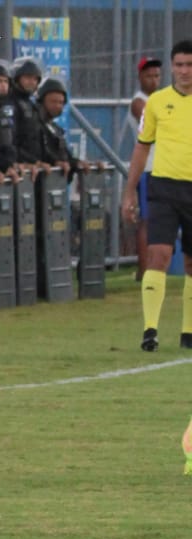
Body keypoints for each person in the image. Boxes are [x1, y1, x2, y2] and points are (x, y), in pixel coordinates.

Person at [122, 40, 192, 352]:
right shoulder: (157, 102)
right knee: (159, 254)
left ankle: (188, 331)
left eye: (189, 65)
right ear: (172, 67)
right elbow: (142, 146)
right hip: (163, 187)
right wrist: (129, 191)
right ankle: (150, 330)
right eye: (179, 65)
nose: (184, 71)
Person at [129, 57, 163, 282]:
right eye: (149, 76)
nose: (154, 80)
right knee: (147, 221)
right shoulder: (139, 102)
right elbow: (155, 122)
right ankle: (143, 271)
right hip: (149, 169)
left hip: (169, 167)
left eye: (157, 76)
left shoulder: (162, 100)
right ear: (140, 77)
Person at [9, 56, 45, 173]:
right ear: (17, 79)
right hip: (20, 167)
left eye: (35, 79)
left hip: (34, 166)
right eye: (28, 78)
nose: (32, 82)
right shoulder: (11, 103)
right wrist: (26, 160)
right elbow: (10, 139)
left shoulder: (31, 105)